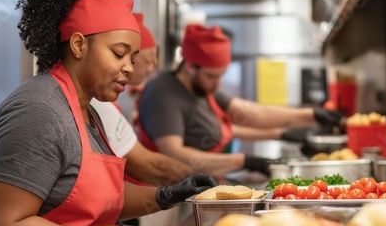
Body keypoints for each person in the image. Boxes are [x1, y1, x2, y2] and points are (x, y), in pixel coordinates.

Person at [0, 0, 216, 226]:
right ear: (78, 45)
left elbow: (96, 198)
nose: (129, 68)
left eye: (133, 59)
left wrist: (167, 195)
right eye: (119, 54)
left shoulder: (87, 110)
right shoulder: (39, 111)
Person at [137, 24, 343, 177]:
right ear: (190, 66)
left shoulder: (201, 87)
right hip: (163, 204)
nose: (217, 84)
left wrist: (309, 116)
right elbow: (176, 155)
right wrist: (244, 161)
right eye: (212, 76)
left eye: (220, 76)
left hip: (192, 190)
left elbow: (247, 116)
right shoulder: (163, 94)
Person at [90, 13, 191, 187]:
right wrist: (192, 180)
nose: (151, 68)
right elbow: (147, 165)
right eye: (120, 55)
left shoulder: (107, 98)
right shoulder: (96, 103)